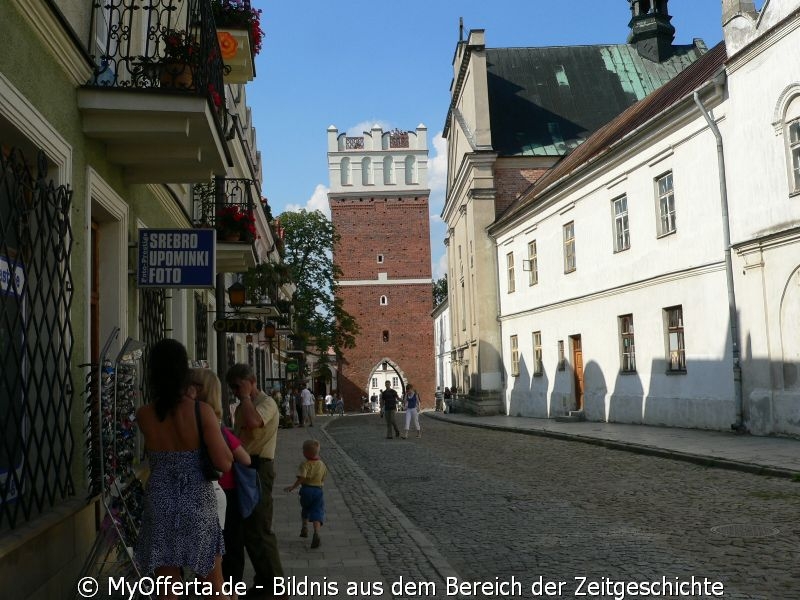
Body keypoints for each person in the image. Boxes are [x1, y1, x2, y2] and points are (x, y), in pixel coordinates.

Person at [134, 339, 233, 600]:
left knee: (167, 584)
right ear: (183, 372)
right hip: (197, 499)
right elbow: (224, 462)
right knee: (214, 582)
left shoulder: (144, 415)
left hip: (161, 499)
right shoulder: (202, 411)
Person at [191, 368, 252, 596]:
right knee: (227, 556)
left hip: (194, 494)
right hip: (221, 491)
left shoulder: (183, 422)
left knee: (205, 566)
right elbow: (242, 459)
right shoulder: (215, 427)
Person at [225, 363, 284, 598]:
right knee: (249, 531)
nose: (235, 391)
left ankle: (275, 588)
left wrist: (246, 396)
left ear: (250, 381)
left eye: (238, 385)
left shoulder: (266, 403)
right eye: (232, 387)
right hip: (243, 469)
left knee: (260, 528)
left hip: (259, 469)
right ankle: (263, 582)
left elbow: (253, 422)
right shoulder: (243, 406)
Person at [284, 439, 328, 549]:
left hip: (306, 490)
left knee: (306, 508)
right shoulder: (322, 464)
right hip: (318, 491)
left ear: (306, 453)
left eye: (303, 450)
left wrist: (293, 487)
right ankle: (316, 532)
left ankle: (304, 527)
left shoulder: (305, 464)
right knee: (317, 511)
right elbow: (324, 477)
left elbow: (302, 478)